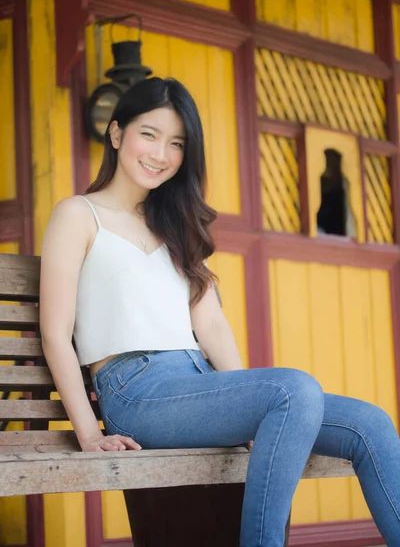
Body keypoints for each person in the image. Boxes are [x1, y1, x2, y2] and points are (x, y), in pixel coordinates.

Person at [39, 77, 400, 547]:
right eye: (148, 134)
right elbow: (55, 332)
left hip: (198, 383)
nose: (160, 154)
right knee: (294, 388)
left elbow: (209, 325)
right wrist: (88, 433)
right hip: (136, 391)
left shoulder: (176, 225)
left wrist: (254, 409)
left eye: (176, 143)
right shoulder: (78, 215)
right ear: (115, 133)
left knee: (369, 424)